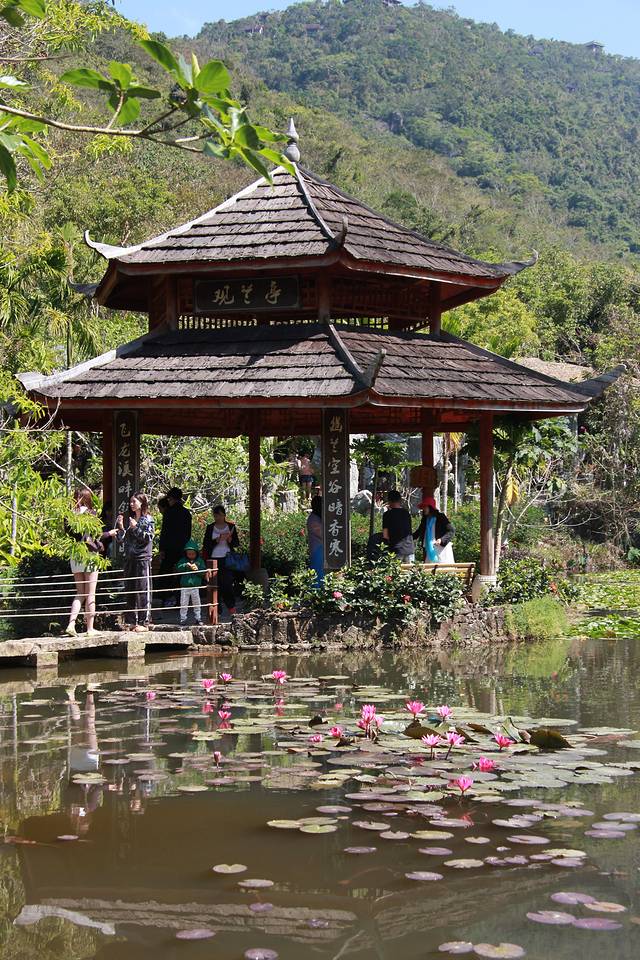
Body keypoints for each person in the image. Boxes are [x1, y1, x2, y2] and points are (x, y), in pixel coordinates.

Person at [110, 492, 155, 631]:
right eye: (130, 502)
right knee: (130, 589)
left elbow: (148, 538)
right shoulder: (132, 519)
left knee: (143, 590)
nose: (131, 504)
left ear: (142, 503)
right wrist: (121, 527)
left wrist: (136, 528)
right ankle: (132, 621)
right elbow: (122, 540)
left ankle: (144, 622)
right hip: (129, 559)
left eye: (134, 501)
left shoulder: (148, 519)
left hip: (142, 558)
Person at [65, 488, 103, 638]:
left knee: (80, 592)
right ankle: (90, 628)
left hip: (75, 554)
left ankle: (71, 624)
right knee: (90, 593)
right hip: (89, 555)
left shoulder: (69, 515)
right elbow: (96, 535)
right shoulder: (91, 514)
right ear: (88, 499)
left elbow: (68, 534)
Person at [202, 504, 239, 615]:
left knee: (227, 583)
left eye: (220, 515)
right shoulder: (210, 527)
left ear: (224, 515)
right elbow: (206, 544)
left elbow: (236, 543)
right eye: (215, 515)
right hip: (213, 558)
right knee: (214, 584)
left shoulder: (231, 526)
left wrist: (230, 540)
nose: (218, 518)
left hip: (227, 558)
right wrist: (216, 540)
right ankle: (216, 608)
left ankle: (231, 606)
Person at [158, 487, 192, 607]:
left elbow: (165, 532)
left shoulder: (169, 512)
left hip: (169, 548)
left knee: (165, 574)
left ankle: (166, 598)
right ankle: (180, 600)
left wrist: (162, 549)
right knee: (181, 574)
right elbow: (188, 533)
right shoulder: (186, 513)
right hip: (182, 548)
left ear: (171, 499)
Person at [175, 538, 207, 626]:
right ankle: (183, 619)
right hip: (184, 587)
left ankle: (198, 618)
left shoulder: (200, 561)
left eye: (193, 553)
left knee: (197, 603)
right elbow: (178, 568)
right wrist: (186, 565)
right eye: (189, 554)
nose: (191, 555)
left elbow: (203, 572)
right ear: (186, 553)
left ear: (196, 553)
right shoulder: (183, 560)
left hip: (195, 587)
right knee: (183, 604)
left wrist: (197, 569)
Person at [413, 496, 455, 563]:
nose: (423, 509)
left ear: (431, 507)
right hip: (430, 549)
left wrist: (441, 540)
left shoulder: (441, 517)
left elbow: (451, 530)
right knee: (429, 568)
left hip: (442, 550)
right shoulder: (425, 519)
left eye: (425, 507)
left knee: (443, 568)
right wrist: (408, 538)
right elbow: (418, 532)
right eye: (423, 507)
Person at [382, 490, 415, 562]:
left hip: (396, 550)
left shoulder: (387, 515)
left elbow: (385, 535)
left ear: (389, 501)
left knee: (396, 569)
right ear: (400, 500)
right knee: (412, 569)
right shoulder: (406, 513)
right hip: (409, 548)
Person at [307, 495, 324, 587]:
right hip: (317, 549)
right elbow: (322, 533)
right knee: (317, 571)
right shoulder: (313, 519)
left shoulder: (317, 517)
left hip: (320, 548)